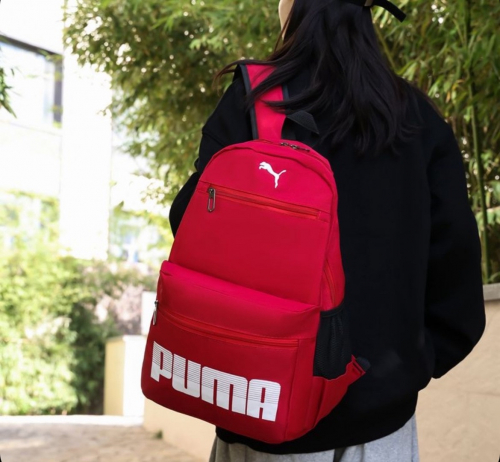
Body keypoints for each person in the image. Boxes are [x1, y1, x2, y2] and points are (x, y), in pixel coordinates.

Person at [167, 0, 486, 460]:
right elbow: (455, 268)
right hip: (382, 425)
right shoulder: (417, 119)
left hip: (263, 406)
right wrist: (407, 367)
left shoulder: (255, 101)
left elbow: (190, 225)